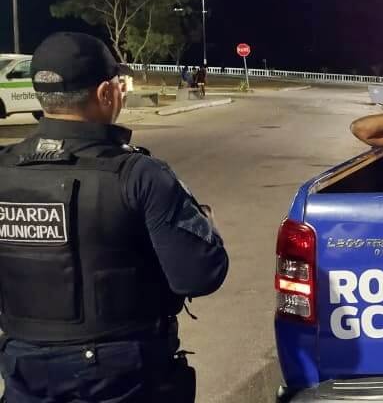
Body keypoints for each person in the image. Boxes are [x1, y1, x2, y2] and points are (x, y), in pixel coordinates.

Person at [0, 33, 229, 403]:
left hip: (24, 370)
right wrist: (208, 228)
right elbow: (200, 275)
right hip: (124, 378)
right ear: (106, 93)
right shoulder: (139, 175)